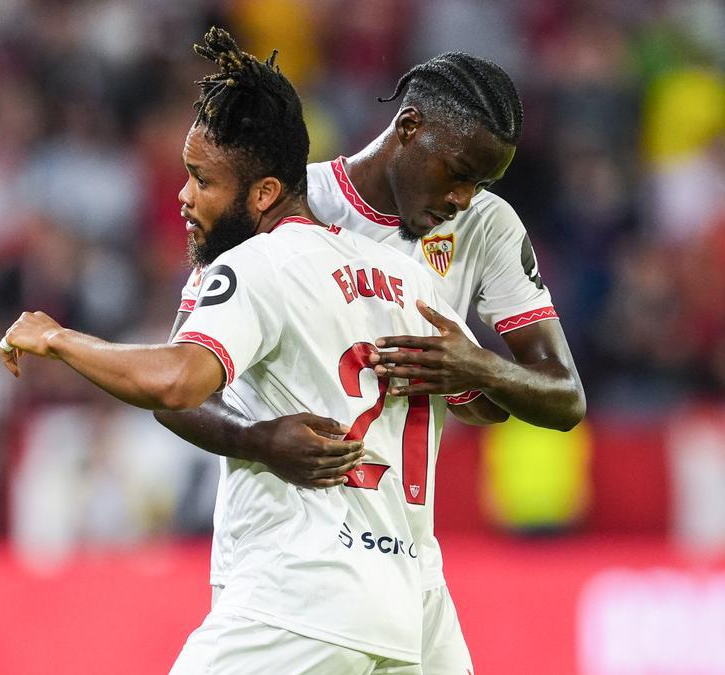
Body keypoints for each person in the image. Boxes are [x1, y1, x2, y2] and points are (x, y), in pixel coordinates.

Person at [1, 28, 501, 673]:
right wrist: (481, 366)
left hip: (296, 596)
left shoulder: (255, 265)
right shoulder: (406, 278)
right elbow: (483, 406)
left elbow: (179, 382)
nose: (183, 198)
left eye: (200, 180)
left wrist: (59, 338)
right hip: (405, 609)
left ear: (263, 194)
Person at [156, 51, 587, 673]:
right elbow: (179, 380)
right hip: (287, 561)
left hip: (408, 569)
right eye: (458, 172)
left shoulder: (489, 229)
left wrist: (478, 368)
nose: (464, 198)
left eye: (482, 184)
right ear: (408, 127)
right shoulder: (286, 199)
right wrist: (257, 440)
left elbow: (563, 396)